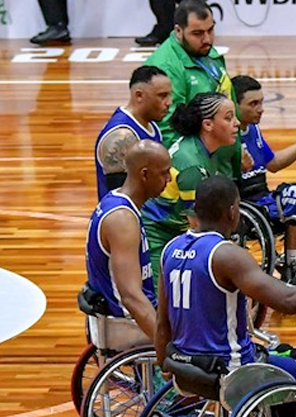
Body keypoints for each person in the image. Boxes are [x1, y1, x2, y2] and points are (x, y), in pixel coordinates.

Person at [155, 175, 296, 380]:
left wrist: (165, 367)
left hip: (184, 368)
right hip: (229, 371)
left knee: (278, 356)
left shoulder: (170, 249)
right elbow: (289, 300)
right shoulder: (226, 255)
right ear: (233, 212)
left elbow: (162, 324)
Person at [231, 75, 296, 283]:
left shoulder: (253, 130)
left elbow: (273, 164)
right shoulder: (229, 136)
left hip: (263, 198)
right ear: (234, 105)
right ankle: (293, 267)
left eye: (262, 102)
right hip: (245, 205)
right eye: (253, 104)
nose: (261, 109)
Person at [141, 92, 240, 275]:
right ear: (208, 125)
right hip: (157, 234)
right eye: (228, 118)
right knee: (158, 300)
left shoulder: (203, 148)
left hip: (174, 230)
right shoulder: (192, 164)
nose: (237, 123)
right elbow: (196, 223)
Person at [85, 140, 172, 339]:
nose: (168, 179)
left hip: (137, 309)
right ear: (144, 174)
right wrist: (167, 350)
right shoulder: (122, 220)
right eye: (164, 173)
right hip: (125, 320)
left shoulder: (117, 200)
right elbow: (131, 298)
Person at [147, 0, 232, 145]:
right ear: (179, 31)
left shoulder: (207, 51)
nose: (207, 39)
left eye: (210, 30)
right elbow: (168, 130)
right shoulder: (166, 69)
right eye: (197, 33)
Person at [95, 66, 173, 199]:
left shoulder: (151, 125)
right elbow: (120, 197)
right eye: (162, 96)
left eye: (169, 95)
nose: (169, 102)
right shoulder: (121, 137)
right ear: (139, 95)